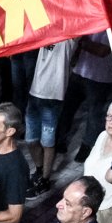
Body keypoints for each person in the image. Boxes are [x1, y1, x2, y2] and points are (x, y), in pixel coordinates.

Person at [24, 38, 73, 195]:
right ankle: (39, 169)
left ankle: (45, 179)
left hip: (53, 96)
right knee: (30, 140)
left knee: (48, 142)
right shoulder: (48, 31)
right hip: (35, 92)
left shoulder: (70, 37)